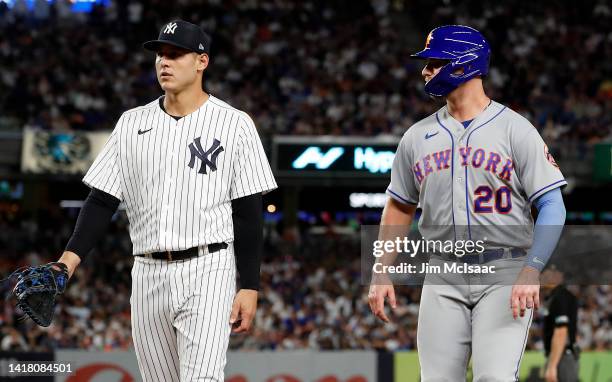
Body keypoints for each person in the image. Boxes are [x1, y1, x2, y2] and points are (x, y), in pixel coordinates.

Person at [55, 19, 277, 381]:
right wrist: (66, 263)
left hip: (209, 267)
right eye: (160, 54)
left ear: (202, 62)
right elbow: (101, 200)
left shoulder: (235, 124)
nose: (164, 62)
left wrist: (249, 285)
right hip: (146, 272)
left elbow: (249, 213)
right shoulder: (131, 123)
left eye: (175, 54)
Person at [368, 25, 567, 380]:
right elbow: (399, 206)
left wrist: (533, 267)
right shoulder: (416, 137)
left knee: (494, 378)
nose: (426, 70)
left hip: (503, 271)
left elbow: (552, 204)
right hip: (443, 272)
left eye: (435, 61)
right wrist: (382, 268)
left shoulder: (514, 129)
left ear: (464, 64)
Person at [541, 267, 579, 382]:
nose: (541, 276)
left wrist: (552, 366)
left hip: (562, 358)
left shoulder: (560, 297)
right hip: (561, 356)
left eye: (544, 272)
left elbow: (561, 331)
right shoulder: (557, 296)